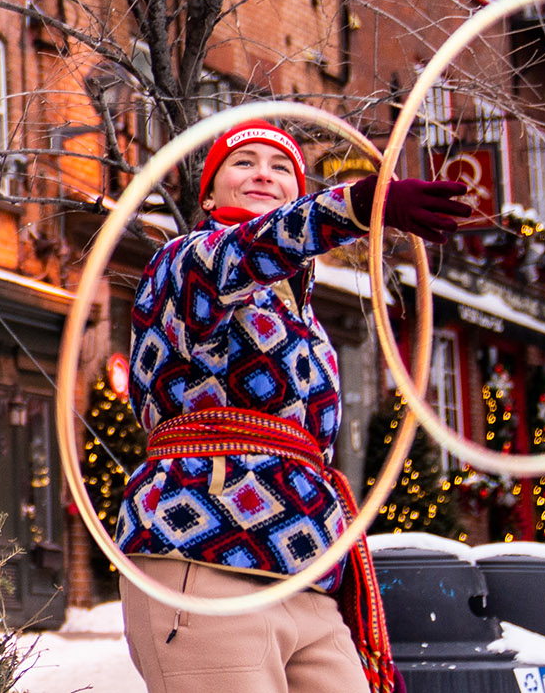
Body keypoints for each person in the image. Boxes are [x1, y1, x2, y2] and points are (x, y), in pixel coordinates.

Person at [116, 121, 484, 693]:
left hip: (305, 572)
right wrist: (361, 205)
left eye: (281, 166)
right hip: (202, 554)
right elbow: (253, 249)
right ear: (208, 194)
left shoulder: (302, 314)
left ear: (297, 188)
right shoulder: (186, 263)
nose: (264, 172)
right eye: (243, 163)